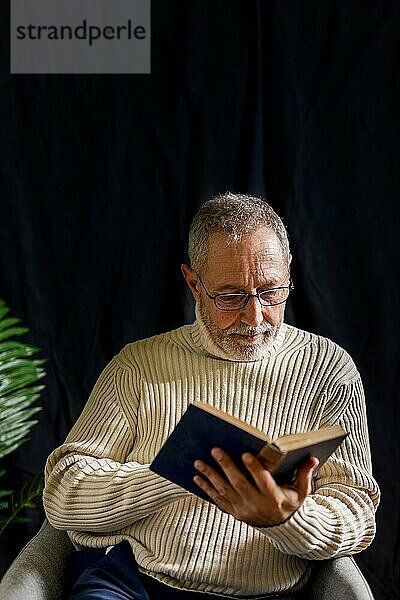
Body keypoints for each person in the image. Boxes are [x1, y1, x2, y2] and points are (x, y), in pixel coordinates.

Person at [43, 192, 380, 600]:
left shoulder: (328, 368)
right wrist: (175, 474)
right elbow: (62, 493)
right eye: (230, 296)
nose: (255, 317)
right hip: (136, 583)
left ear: (289, 272)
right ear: (193, 284)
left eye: (271, 291)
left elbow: (357, 512)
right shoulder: (139, 365)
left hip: (267, 594)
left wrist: (287, 519)